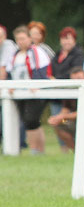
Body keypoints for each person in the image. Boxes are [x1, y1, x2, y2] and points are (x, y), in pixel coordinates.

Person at [3, 26, 51, 154]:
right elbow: (10, 73)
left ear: (29, 38)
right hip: (19, 93)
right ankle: (39, 151)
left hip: (34, 92)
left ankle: (35, 149)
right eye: (18, 39)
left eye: (23, 38)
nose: (20, 41)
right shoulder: (15, 55)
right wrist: (11, 85)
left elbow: (41, 71)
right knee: (31, 121)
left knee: (31, 120)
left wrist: (36, 83)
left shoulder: (37, 52)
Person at [50, 27, 84, 152]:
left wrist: (57, 79)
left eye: (68, 39)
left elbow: (75, 72)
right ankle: (65, 149)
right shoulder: (57, 54)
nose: (66, 42)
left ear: (74, 40)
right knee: (58, 120)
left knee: (62, 119)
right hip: (59, 94)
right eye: (63, 39)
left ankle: (77, 150)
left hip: (73, 91)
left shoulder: (78, 54)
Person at [47, 67, 84, 151]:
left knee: (63, 120)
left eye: (79, 78)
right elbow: (65, 109)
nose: (76, 81)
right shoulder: (71, 91)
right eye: (74, 79)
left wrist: (63, 117)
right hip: (72, 120)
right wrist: (57, 118)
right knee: (59, 124)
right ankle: (75, 151)